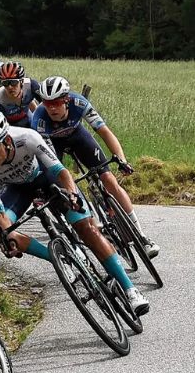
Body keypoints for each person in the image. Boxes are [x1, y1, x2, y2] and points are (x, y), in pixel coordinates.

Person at [0, 110, 149, 316]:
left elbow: (61, 172)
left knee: (87, 228)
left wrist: (72, 195)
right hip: (17, 190)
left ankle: (130, 290)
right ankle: (57, 257)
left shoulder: (27, 138)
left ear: (6, 140)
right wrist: (7, 237)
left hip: (47, 177)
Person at [31, 76, 157, 258]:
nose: (51, 108)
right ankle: (91, 219)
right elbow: (53, 163)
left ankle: (142, 236)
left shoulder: (79, 103)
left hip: (78, 137)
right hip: (53, 146)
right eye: (47, 103)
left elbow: (105, 132)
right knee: (62, 185)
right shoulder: (39, 120)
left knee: (108, 179)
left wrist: (121, 159)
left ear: (66, 100)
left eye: (56, 102)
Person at [0, 60, 39, 130]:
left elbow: (45, 105)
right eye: (5, 83)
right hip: (9, 125)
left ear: (22, 81)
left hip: (26, 116)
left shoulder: (31, 85)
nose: (10, 87)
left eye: (13, 82)